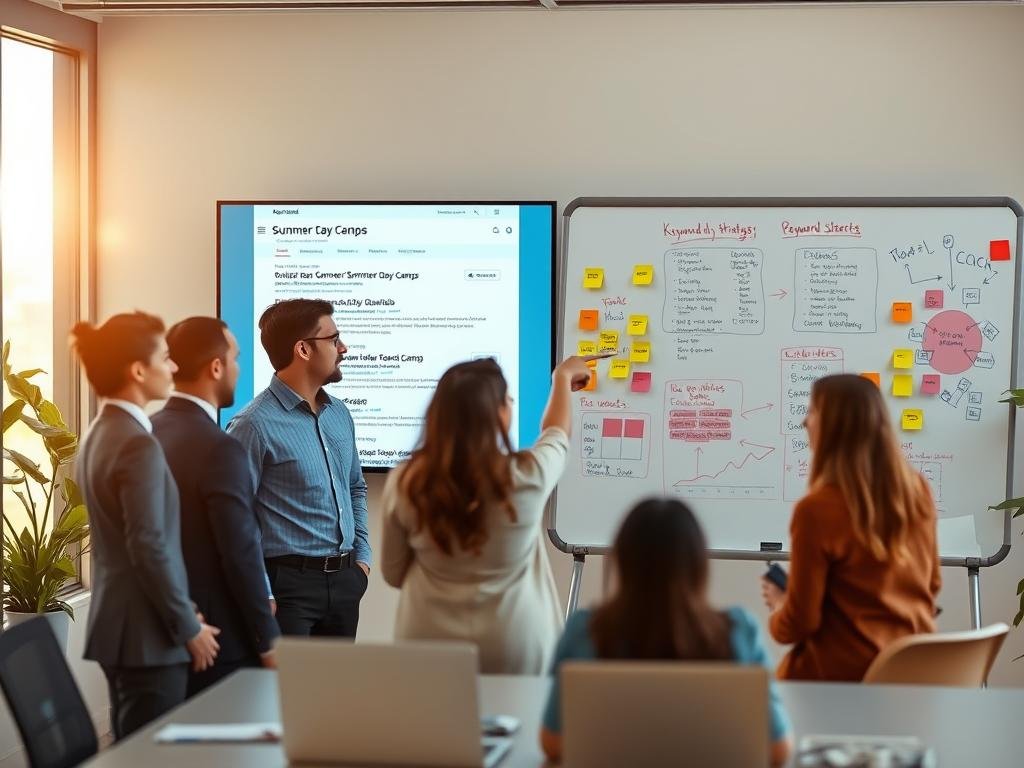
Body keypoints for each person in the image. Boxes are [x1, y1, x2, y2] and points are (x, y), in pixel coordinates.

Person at [380, 355, 594, 675]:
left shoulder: (407, 481)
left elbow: (393, 574)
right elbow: (556, 434)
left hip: (427, 645)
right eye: (508, 399)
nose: (511, 405)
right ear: (497, 414)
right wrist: (561, 379)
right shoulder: (526, 476)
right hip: (512, 643)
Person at [539, 498, 791, 766]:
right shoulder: (739, 632)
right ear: (698, 564)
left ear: (623, 559)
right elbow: (778, 749)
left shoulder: (583, 632)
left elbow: (552, 742)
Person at [71, 312, 220, 739]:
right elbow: (149, 546)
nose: (173, 367)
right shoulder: (138, 444)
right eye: (165, 357)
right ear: (138, 370)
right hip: (149, 637)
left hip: (120, 628)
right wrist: (188, 625)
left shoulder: (99, 432)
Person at [762, 373, 941, 681]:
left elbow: (799, 624)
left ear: (834, 426)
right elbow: (932, 584)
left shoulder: (816, 510)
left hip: (838, 686)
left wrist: (780, 606)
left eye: (812, 411)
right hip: (911, 678)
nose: (805, 423)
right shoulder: (917, 490)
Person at [152, 316, 280, 696]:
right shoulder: (219, 447)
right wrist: (268, 639)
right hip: (219, 641)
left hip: (164, 628)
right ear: (216, 367)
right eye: (236, 358)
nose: (239, 369)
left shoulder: (148, 431)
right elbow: (239, 551)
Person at [228, 299, 370, 637]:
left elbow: (356, 487)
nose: (343, 347)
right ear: (303, 349)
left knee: (334, 691)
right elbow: (235, 515)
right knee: (284, 691)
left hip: (346, 581)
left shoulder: (340, 414)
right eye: (334, 339)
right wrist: (263, 590)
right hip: (286, 590)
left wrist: (361, 559)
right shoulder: (252, 424)